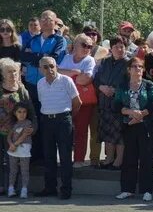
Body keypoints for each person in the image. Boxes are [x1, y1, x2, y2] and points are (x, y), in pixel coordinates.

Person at [20, 10, 67, 161]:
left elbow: (53, 59)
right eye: (43, 19)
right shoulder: (32, 40)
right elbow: (24, 56)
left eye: (49, 19)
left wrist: (36, 58)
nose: (46, 21)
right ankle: (35, 155)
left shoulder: (60, 40)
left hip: (49, 86)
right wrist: (41, 58)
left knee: (46, 121)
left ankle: (47, 157)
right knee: (33, 118)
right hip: (32, 84)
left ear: (55, 22)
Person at [114, 57, 153, 202]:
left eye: (140, 66)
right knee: (129, 158)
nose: (138, 69)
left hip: (145, 125)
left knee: (146, 158)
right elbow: (116, 106)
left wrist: (140, 115)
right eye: (134, 66)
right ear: (129, 70)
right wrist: (130, 113)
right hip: (128, 126)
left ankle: (147, 190)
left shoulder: (149, 85)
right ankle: (127, 189)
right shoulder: (122, 85)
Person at [35, 57, 81, 200]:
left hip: (63, 120)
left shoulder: (66, 80)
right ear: (40, 70)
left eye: (52, 66)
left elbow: (77, 102)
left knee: (65, 156)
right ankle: (50, 188)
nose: (50, 70)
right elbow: (43, 101)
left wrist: (66, 117)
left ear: (56, 66)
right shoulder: (40, 83)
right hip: (47, 121)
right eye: (46, 67)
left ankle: (66, 189)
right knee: (48, 156)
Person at [57, 33, 97, 167]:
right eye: (84, 45)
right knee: (65, 132)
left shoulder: (90, 60)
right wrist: (75, 72)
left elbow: (86, 79)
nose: (87, 48)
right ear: (75, 45)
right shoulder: (67, 57)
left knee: (81, 131)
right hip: (64, 101)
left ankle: (79, 159)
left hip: (83, 102)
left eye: (90, 46)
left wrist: (68, 74)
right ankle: (65, 159)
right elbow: (57, 73)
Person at [0, 58, 36, 194]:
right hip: (0, 130)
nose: (13, 74)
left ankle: (12, 187)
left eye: (15, 71)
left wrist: (33, 128)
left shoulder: (22, 90)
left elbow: (31, 112)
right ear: (3, 73)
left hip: (16, 133)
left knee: (12, 162)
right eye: (9, 72)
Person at [94, 37, 129, 170]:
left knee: (119, 135)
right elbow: (96, 79)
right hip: (104, 103)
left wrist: (116, 91)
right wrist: (101, 87)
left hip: (119, 104)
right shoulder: (104, 62)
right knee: (108, 133)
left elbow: (131, 83)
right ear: (111, 49)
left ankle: (119, 160)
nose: (120, 50)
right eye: (117, 47)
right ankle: (109, 158)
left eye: (122, 47)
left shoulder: (128, 63)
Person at [6, 103, 33, 198]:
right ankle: (10, 188)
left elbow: (24, 135)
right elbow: (9, 136)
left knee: (24, 170)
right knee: (13, 170)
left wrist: (15, 145)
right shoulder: (13, 124)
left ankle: (24, 189)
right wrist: (11, 144)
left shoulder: (28, 123)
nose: (22, 114)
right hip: (13, 149)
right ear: (15, 113)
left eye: (24, 112)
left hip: (24, 148)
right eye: (19, 112)